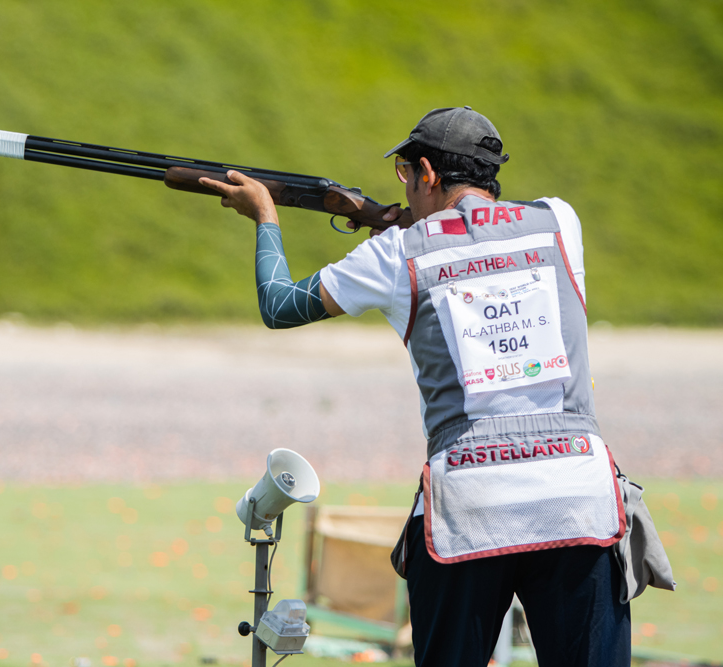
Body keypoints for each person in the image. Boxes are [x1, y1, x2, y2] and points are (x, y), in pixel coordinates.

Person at [199, 106, 673, 667]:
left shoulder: (396, 253)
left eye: (406, 172)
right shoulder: (560, 221)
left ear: (426, 173)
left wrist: (265, 216)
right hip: (580, 500)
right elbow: (481, 241)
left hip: (468, 510)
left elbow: (279, 305)